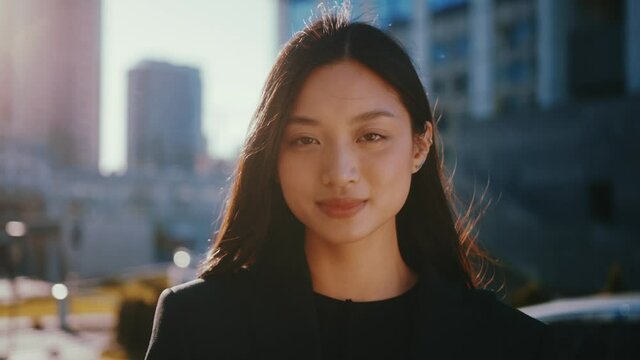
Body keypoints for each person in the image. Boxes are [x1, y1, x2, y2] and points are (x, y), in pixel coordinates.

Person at [145, 7, 556, 360]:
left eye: (371, 136)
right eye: (305, 140)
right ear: (273, 158)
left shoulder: (510, 344)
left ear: (420, 146)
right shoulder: (198, 326)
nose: (340, 172)